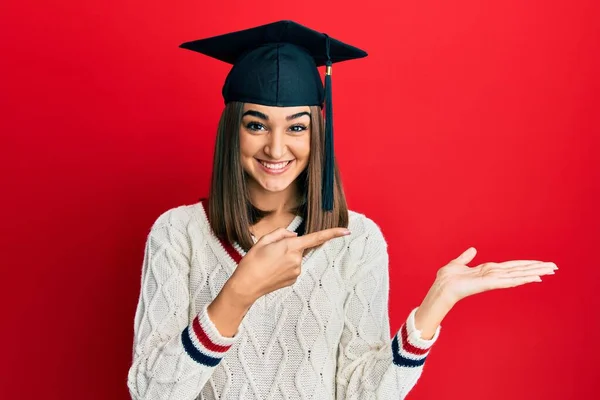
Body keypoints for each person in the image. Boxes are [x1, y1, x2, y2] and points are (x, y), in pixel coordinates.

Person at [126, 20, 557, 400]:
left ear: (318, 135)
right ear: (232, 130)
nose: (276, 148)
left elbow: (362, 394)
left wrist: (434, 307)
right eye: (256, 125)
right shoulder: (177, 234)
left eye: (297, 127)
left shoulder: (357, 240)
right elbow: (150, 393)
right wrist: (238, 295)